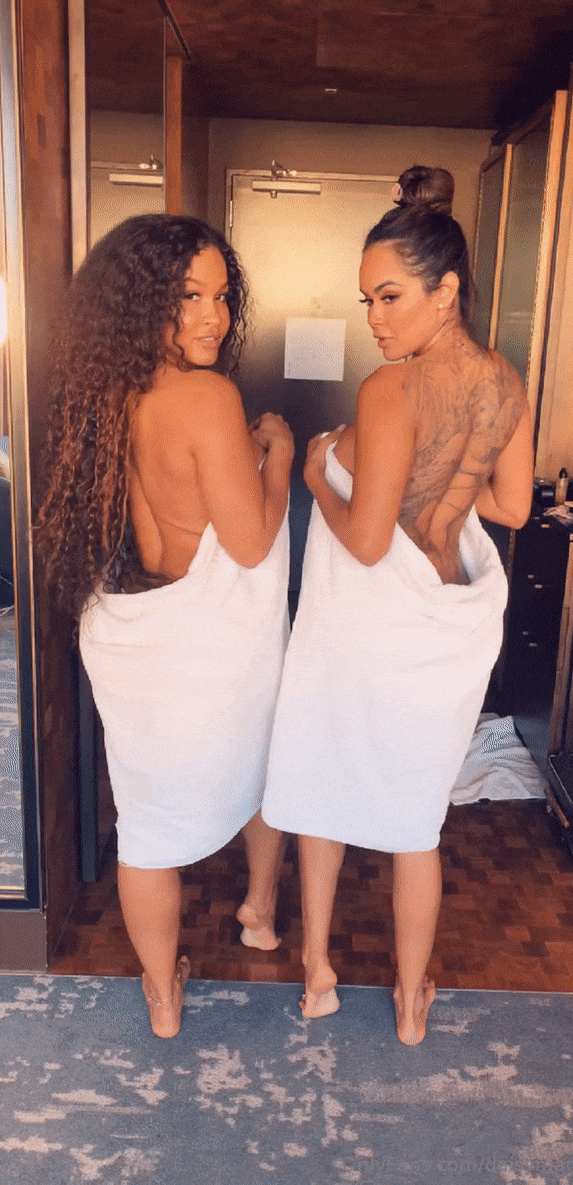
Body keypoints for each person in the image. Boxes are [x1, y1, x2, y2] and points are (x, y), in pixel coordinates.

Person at [261, 166, 533, 1044]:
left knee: (323, 784)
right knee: (419, 820)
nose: (374, 319)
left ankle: (319, 974)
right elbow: (513, 506)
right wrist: (441, 471)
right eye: (367, 300)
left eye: (390, 297)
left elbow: (368, 542)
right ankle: (413, 1004)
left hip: (369, 629)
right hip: (446, 625)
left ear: (445, 289)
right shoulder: (506, 382)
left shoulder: (389, 391)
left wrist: (316, 476)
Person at [36, 215, 293, 1038]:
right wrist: (279, 459)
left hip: (132, 633)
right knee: (263, 758)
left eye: (221, 296)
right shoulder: (207, 397)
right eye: (189, 296)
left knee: (145, 823)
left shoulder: (101, 393)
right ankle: (260, 912)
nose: (213, 316)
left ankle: (162, 998)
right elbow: (250, 546)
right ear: (147, 300)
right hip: (207, 644)